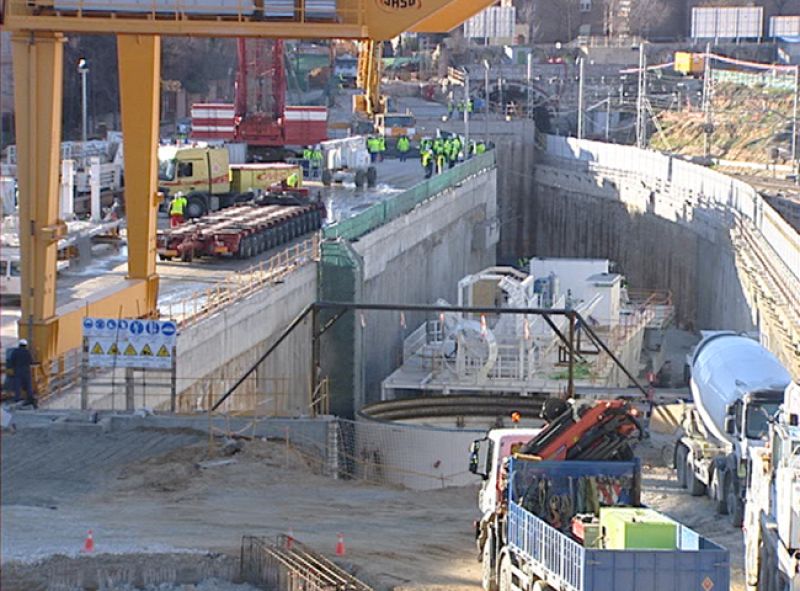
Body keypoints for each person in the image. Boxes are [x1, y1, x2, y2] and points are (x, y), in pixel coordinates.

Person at [10, 339, 36, 408]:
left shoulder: (15, 352)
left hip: (18, 370)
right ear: (25, 345)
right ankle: (30, 398)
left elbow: (12, 361)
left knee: (17, 385)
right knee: (28, 385)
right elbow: (31, 361)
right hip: (26, 371)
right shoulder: (27, 352)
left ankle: (17, 398)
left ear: (19, 344)